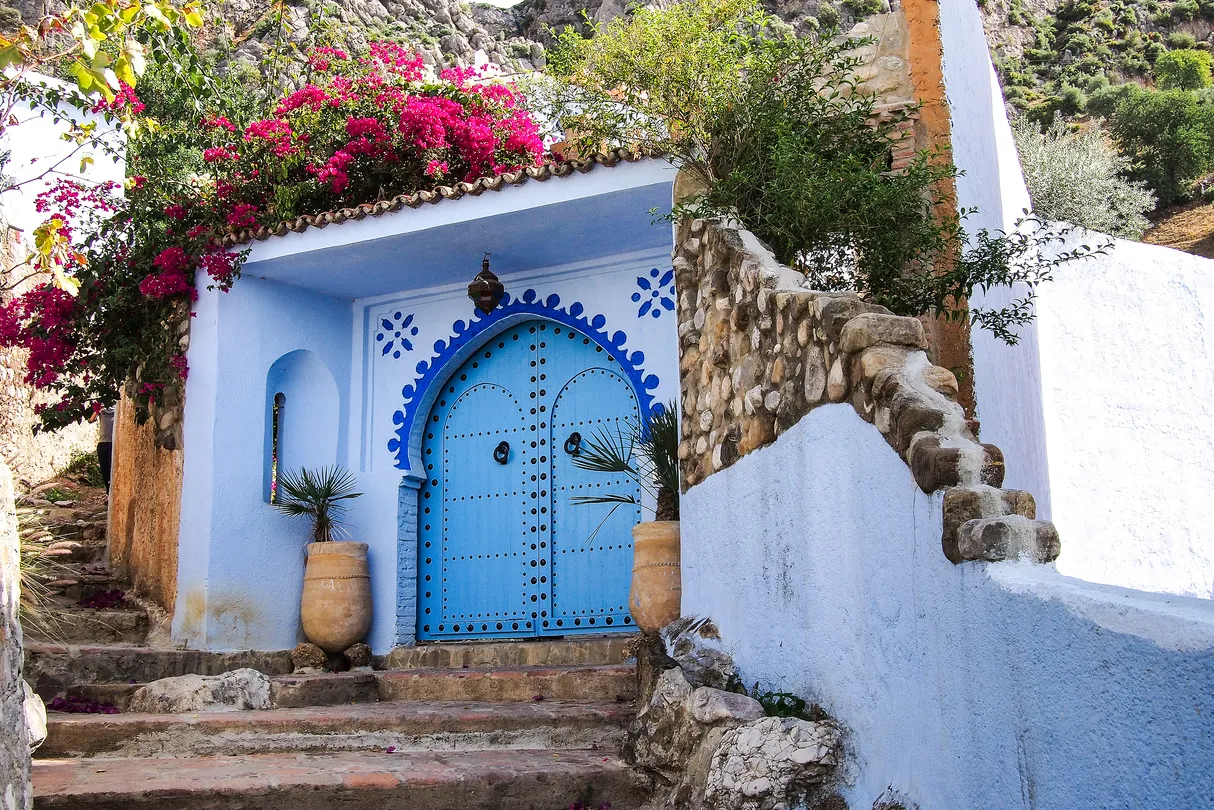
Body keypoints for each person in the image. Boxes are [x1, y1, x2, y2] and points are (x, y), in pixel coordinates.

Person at [97, 406, 114, 492]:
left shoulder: (117, 408)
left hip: (113, 443)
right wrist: (97, 410)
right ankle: (108, 492)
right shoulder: (101, 408)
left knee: (112, 470)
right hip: (102, 443)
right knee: (105, 470)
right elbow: (91, 420)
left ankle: (112, 493)